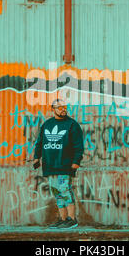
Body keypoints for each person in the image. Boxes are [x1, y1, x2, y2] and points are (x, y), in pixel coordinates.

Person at [32, 98, 84, 229]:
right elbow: (39, 142)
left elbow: (78, 146)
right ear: (53, 109)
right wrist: (36, 157)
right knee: (56, 192)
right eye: (60, 107)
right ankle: (63, 219)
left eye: (64, 107)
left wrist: (76, 162)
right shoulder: (47, 124)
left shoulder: (72, 125)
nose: (63, 109)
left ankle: (72, 219)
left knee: (65, 190)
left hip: (65, 165)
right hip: (50, 165)